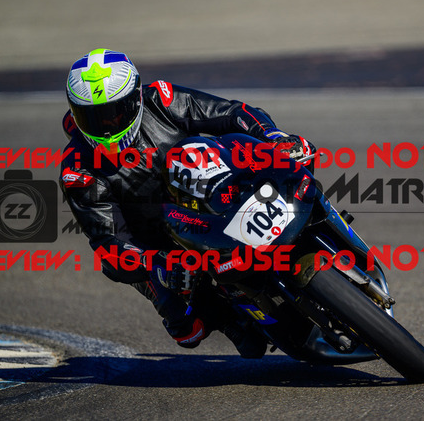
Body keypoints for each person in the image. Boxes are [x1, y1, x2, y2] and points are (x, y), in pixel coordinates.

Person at [60, 49, 315, 358]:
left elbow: (230, 113)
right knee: (187, 330)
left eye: (114, 113)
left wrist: (273, 137)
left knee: (291, 164)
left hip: (215, 189)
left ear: (135, 99)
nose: (106, 127)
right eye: (92, 117)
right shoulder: (78, 170)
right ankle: (229, 319)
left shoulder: (161, 99)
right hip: (162, 242)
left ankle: (324, 227)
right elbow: (109, 242)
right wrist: (157, 265)